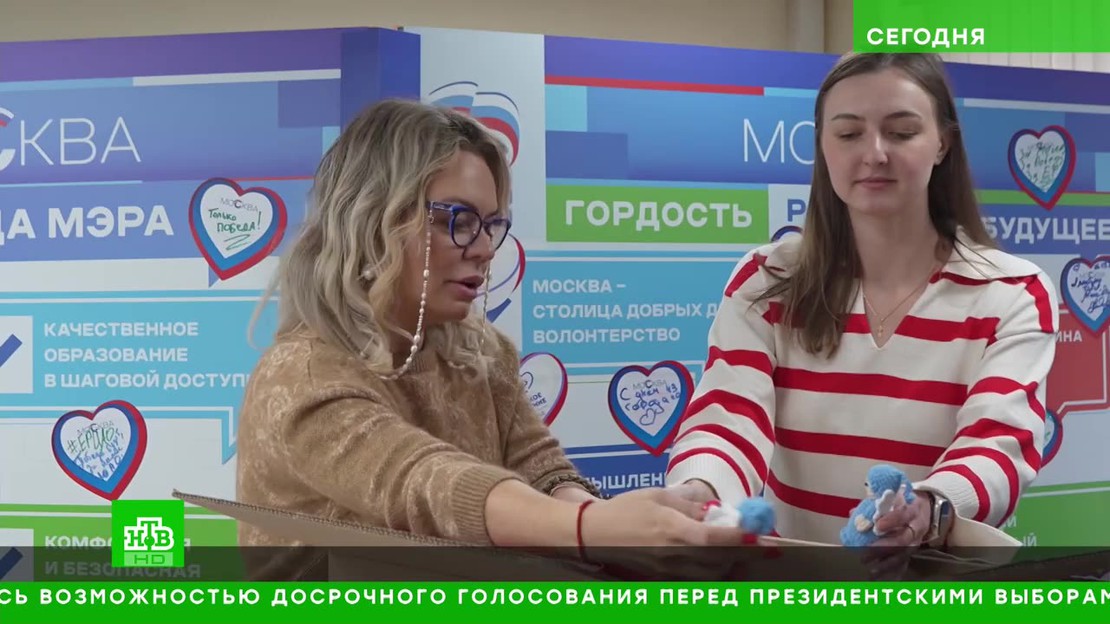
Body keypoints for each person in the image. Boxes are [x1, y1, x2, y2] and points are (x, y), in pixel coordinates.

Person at [236, 98, 748, 579]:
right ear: (373, 219)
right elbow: (426, 485)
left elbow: (541, 470)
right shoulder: (302, 375)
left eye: (491, 224)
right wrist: (591, 528)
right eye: (459, 221)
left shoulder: (483, 351)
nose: (484, 248)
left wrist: (609, 522)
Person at [665, 53, 1059, 556]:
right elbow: (728, 416)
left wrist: (927, 508)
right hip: (797, 583)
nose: (874, 154)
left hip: (935, 580)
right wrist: (699, 493)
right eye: (849, 134)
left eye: (901, 132)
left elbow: (998, 444)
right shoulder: (768, 280)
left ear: (943, 143)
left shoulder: (1012, 292)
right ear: (822, 146)